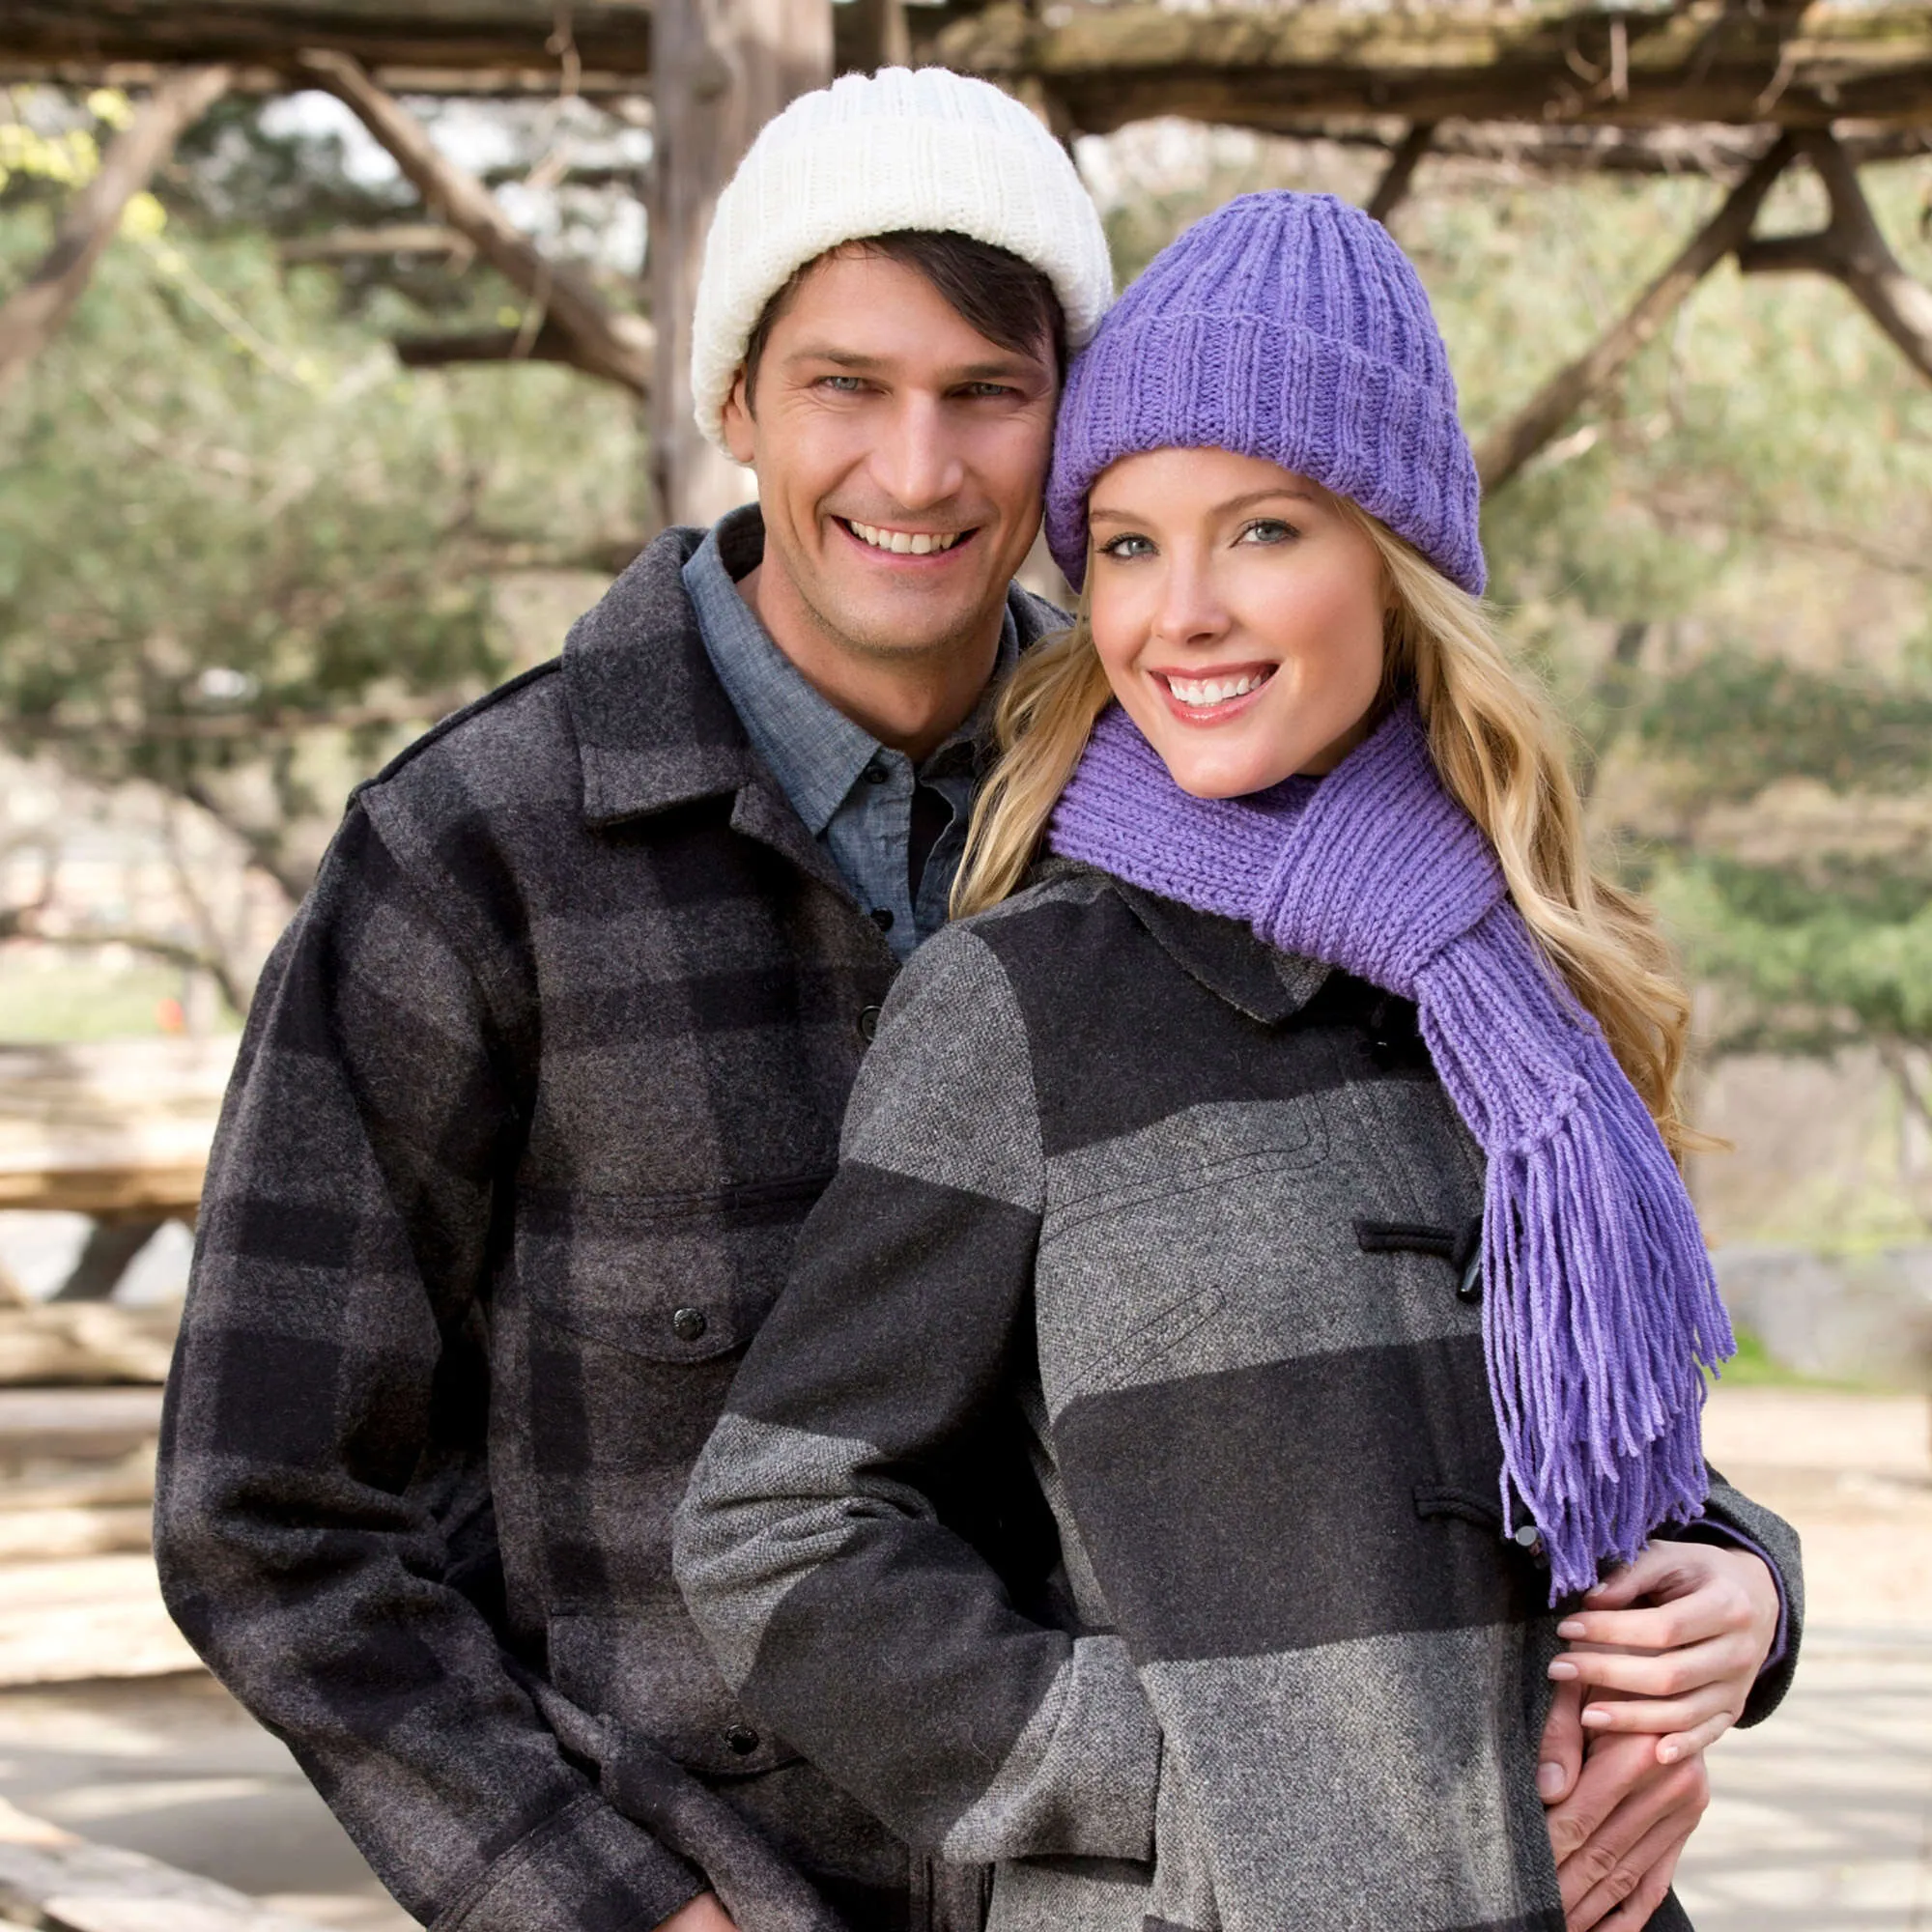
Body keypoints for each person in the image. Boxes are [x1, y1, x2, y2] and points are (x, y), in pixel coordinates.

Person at [672, 191, 1803, 1932]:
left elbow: (1594, 1447)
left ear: (1394, 560)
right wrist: (1195, 1786)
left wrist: (1742, 1589)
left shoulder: (1518, 990)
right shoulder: (1024, 1001)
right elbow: (777, 1530)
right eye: (1125, 544)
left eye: (1261, 531)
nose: (1178, 612)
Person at [154, 68, 1110, 1932]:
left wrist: (1731, 1578)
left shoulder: (1196, 831)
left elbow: (1475, 1325)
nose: (916, 472)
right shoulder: (468, 857)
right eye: (848, 385)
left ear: (1064, 422)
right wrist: (600, 1906)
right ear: (738, 399)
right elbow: (266, 1511)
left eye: (986, 393)